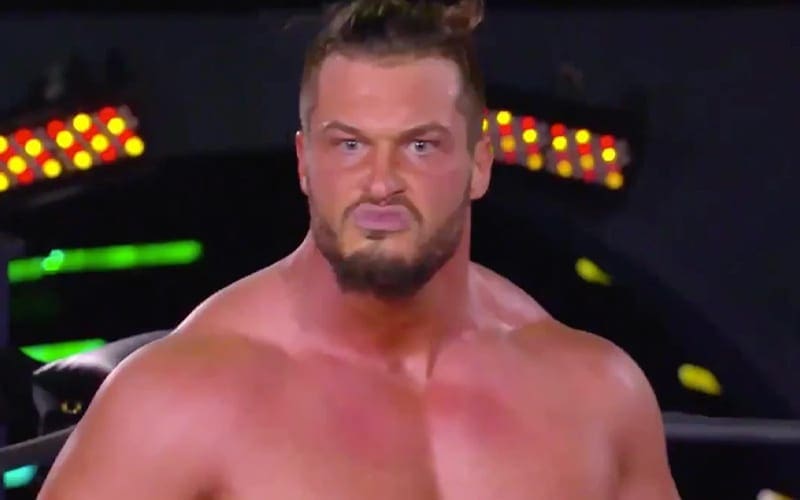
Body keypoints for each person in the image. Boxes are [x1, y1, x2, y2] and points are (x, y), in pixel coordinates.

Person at [38, 0, 680, 498]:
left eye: (420, 146)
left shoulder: (593, 393)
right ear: (304, 163)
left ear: (479, 165)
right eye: (349, 145)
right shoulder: (175, 400)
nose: (380, 182)